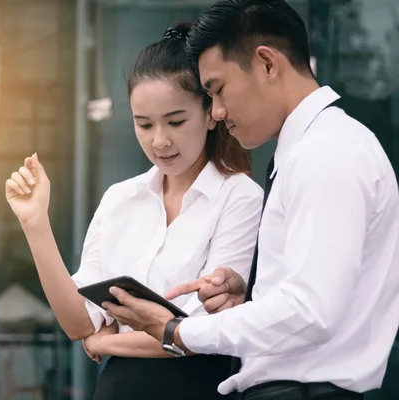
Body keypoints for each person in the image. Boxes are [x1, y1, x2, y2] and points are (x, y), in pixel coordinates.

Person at [102, 1, 399, 400]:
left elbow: (310, 312)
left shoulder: (328, 152)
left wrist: (177, 330)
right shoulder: (311, 150)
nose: (219, 112)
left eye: (218, 89)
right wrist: (252, 295)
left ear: (267, 64)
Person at [5, 22, 263, 400]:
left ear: (211, 114)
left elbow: (205, 333)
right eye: (144, 125)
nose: (160, 141)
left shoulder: (239, 196)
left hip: (197, 389)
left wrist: (105, 344)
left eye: (176, 121)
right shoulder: (119, 200)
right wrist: (35, 223)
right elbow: (78, 322)